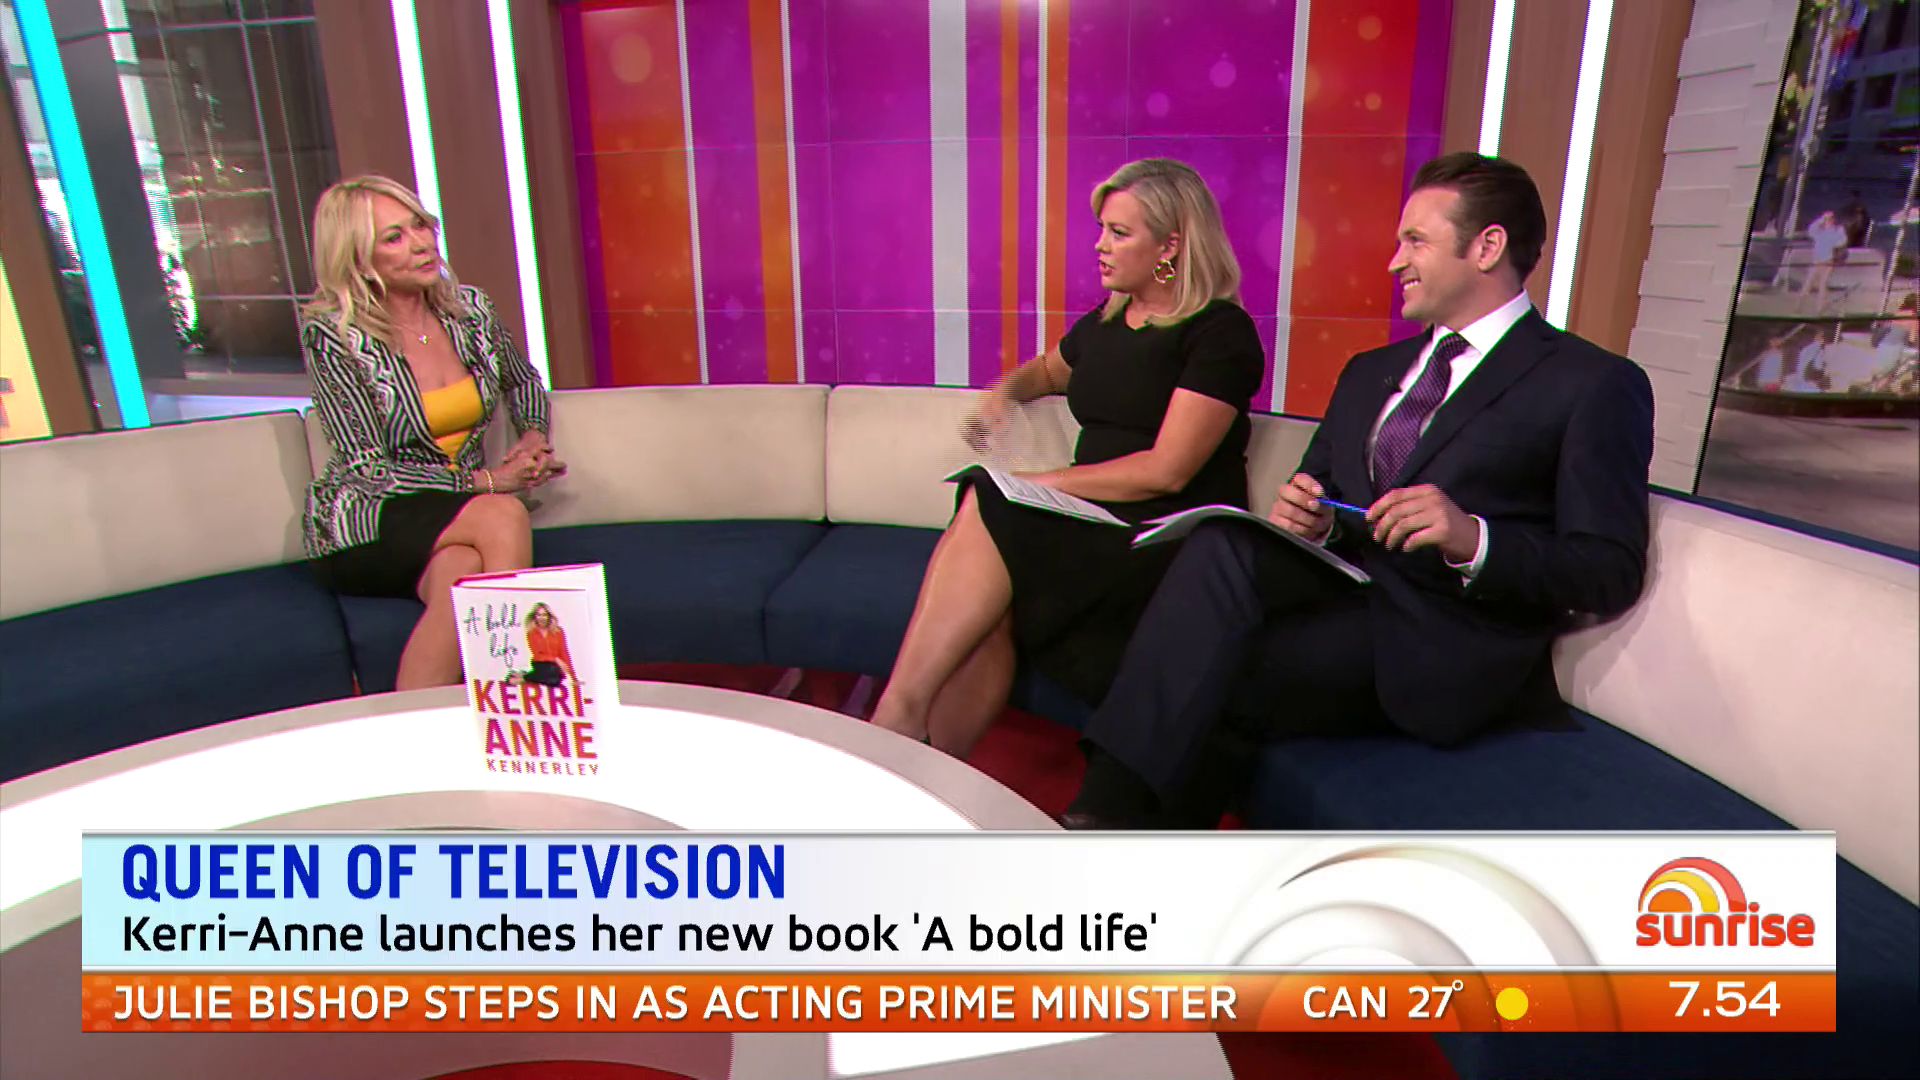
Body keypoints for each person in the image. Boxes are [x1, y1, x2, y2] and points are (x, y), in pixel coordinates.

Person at [1057, 153, 1656, 829]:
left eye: (1415, 242)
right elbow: (1325, 490)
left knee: (1212, 667)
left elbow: (1608, 568)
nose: (1395, 263)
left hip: (1440, 638)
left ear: (1487, 247)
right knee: (1222, 542)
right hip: (1340, 596)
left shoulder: (1591, 384)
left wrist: (1473, 539)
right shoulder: (1371, 371)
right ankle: (1109, 821)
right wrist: (1311, 517)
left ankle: (1107, 827)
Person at [868, 158, 1264, 755]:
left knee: (991, 498)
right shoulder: (1107, 321)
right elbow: (1049, 372)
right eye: (1102, 229)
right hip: (1092, 517)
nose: (1099, 246)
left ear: (1171, 246)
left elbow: (1168, 470)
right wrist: (1005, 393)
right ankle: (921, 756)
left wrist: (1043, 483)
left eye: (1119, 233)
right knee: (989, 603)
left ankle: (896, 720)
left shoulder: (1219, 333)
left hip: (1165, 536)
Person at [301, 175, 564, 690]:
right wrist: (488, 482)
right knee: (503, 512)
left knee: (460, 581)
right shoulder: (333, 335)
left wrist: (533, 436)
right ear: (358, 258)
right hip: (368, 518)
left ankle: (411, 728)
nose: (421, 243)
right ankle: (512, 693)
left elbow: (521, 380)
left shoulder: (470, 311)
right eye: (394, 237)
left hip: (453, 515)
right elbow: (367, 468)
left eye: (420, 225)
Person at [1800, 209, 1850, 310]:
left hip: (1829, 261)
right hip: (1817, 260)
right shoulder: (1819, 231)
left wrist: (1834, 241)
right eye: (1827, 219)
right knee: (1808, 283)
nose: (1829, 220)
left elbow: (1842, 241)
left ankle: (1820, 305)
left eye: (1831, 218)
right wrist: (1820, 220)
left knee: (1823, 283)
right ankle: (1799, 304)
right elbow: (1811, 230)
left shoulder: (1837, 230)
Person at [520, 603, 576, 688]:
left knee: (556, 677)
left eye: (544, 615)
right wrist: (556, 659)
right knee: (552, 675)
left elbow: (564, 652)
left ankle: (526, 677)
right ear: (535, 617)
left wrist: (573, 677)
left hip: (556, 667)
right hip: (541, 663)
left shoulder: (558, 631)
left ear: (549, 616)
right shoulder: (531, 633)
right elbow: (538, 655)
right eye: (539, 615)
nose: (541, 618)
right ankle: (525, 677)